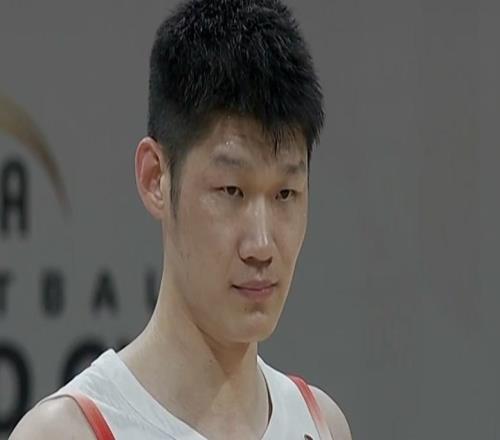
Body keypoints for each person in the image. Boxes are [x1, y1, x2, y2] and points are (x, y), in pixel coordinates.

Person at [10, 0, 352, 438]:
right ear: (155, 177)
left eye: (285, 193)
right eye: (231, 191)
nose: (262, 245)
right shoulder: (69, 431)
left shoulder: (321, 424)